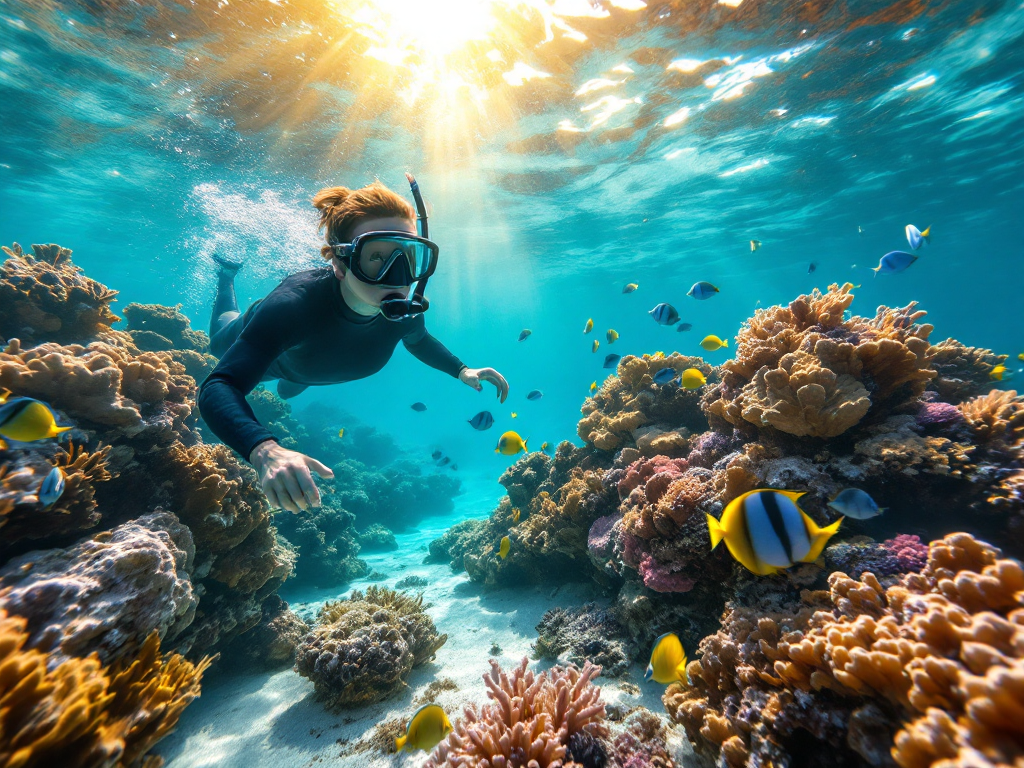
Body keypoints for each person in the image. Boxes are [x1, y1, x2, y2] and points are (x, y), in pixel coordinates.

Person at [198, 176, 508, 514]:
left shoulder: (403, 313)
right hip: (275, 352)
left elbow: (418, 340)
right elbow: (218, 386)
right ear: (340, 264)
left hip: (307, 367)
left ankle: (295, 378)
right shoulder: (292, 308)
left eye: (407, 256)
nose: (397, 275)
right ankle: (227, 277)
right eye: (376, 257)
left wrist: (462, 371)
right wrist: (263, 450)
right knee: (217, 344)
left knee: (288, 392)